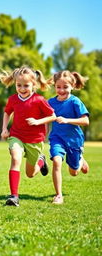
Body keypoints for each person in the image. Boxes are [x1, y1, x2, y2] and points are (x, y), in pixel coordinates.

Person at [0, 66, 56, 207]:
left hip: (35, 140)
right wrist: (5, 128)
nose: (22, 89)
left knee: (30, 173)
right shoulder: (13, 99)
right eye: (19, 85)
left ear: (34, 85)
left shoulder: (39, 100)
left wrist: (38, 122)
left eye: (26, 85)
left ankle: (41, 161)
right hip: (16, 135)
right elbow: (7, 113)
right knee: (15, 159)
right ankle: (14, 196)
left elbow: (52, 116)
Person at [48, 70, 89, 205]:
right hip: (56, 138)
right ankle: (58, 195)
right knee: (57, 162)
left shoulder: (75, 102)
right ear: (54, 86)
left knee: (74, 172)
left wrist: (67, 120)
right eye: (58, 87)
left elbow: (85, 121)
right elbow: (44, 118)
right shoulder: (50, 102)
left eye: (65, 87)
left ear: (72, 86)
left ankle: (80, 159)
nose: (61, 90)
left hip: (74, 140)